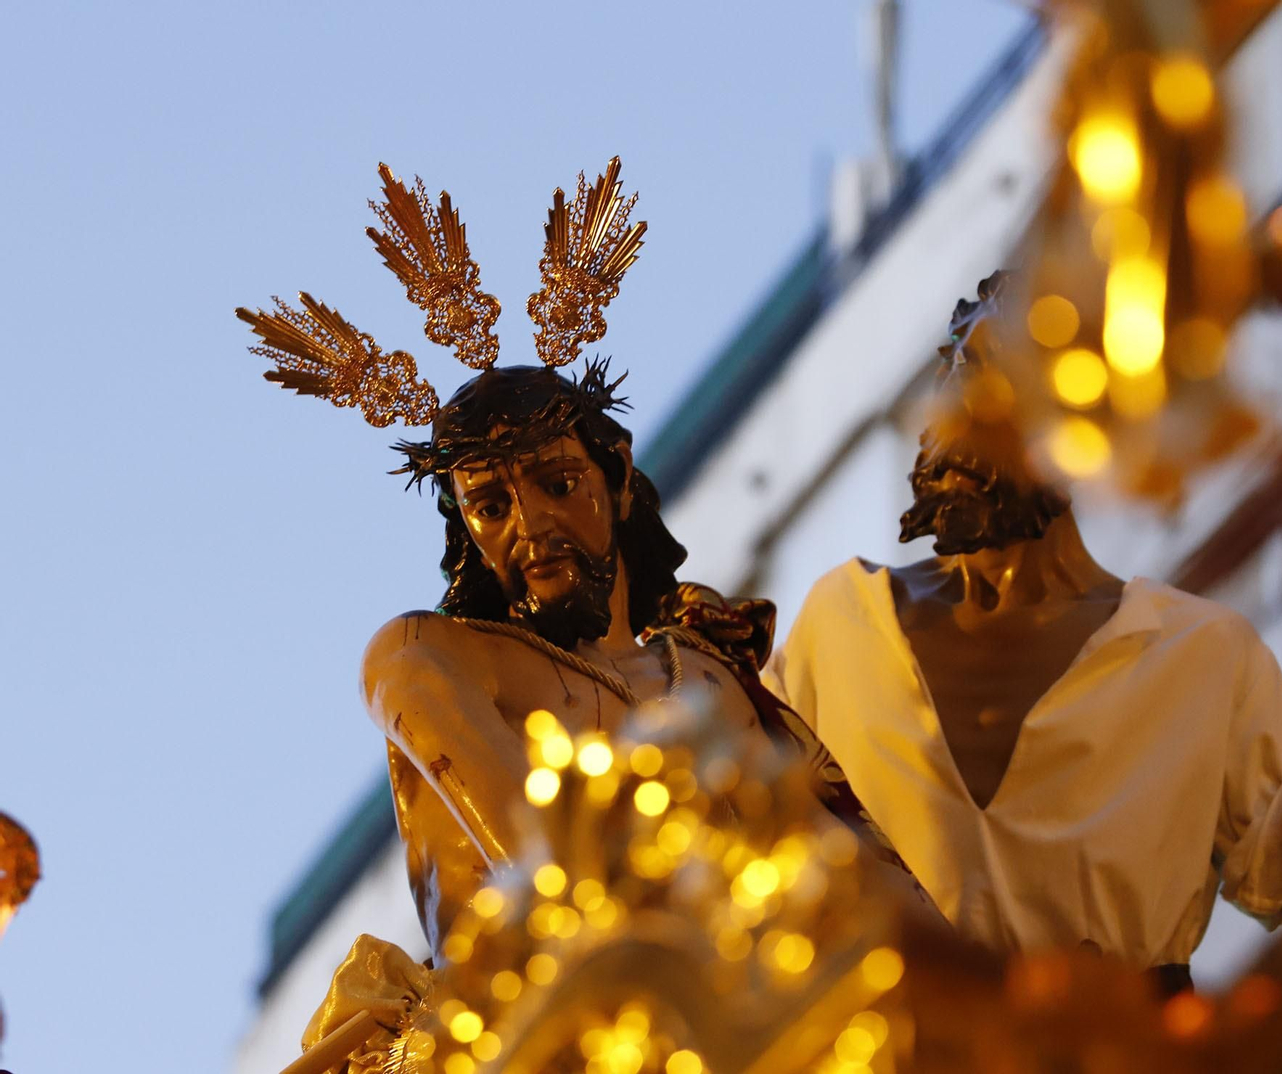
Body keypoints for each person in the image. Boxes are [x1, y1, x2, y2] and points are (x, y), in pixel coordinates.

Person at [239, 160, 896, 1073]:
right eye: (491, 506)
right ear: (464, 528)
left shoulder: (711, 673)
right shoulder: (431, 656)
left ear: (618, 475)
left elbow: (862, 882)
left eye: (557, 483)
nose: (532, 527)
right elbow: (550, 875)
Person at [763, 272, 1282, 993]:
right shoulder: (841, 625)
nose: (962, 416)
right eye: (958, 377)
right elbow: (746, 836)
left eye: (1001, 381)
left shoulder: (1205, 655)